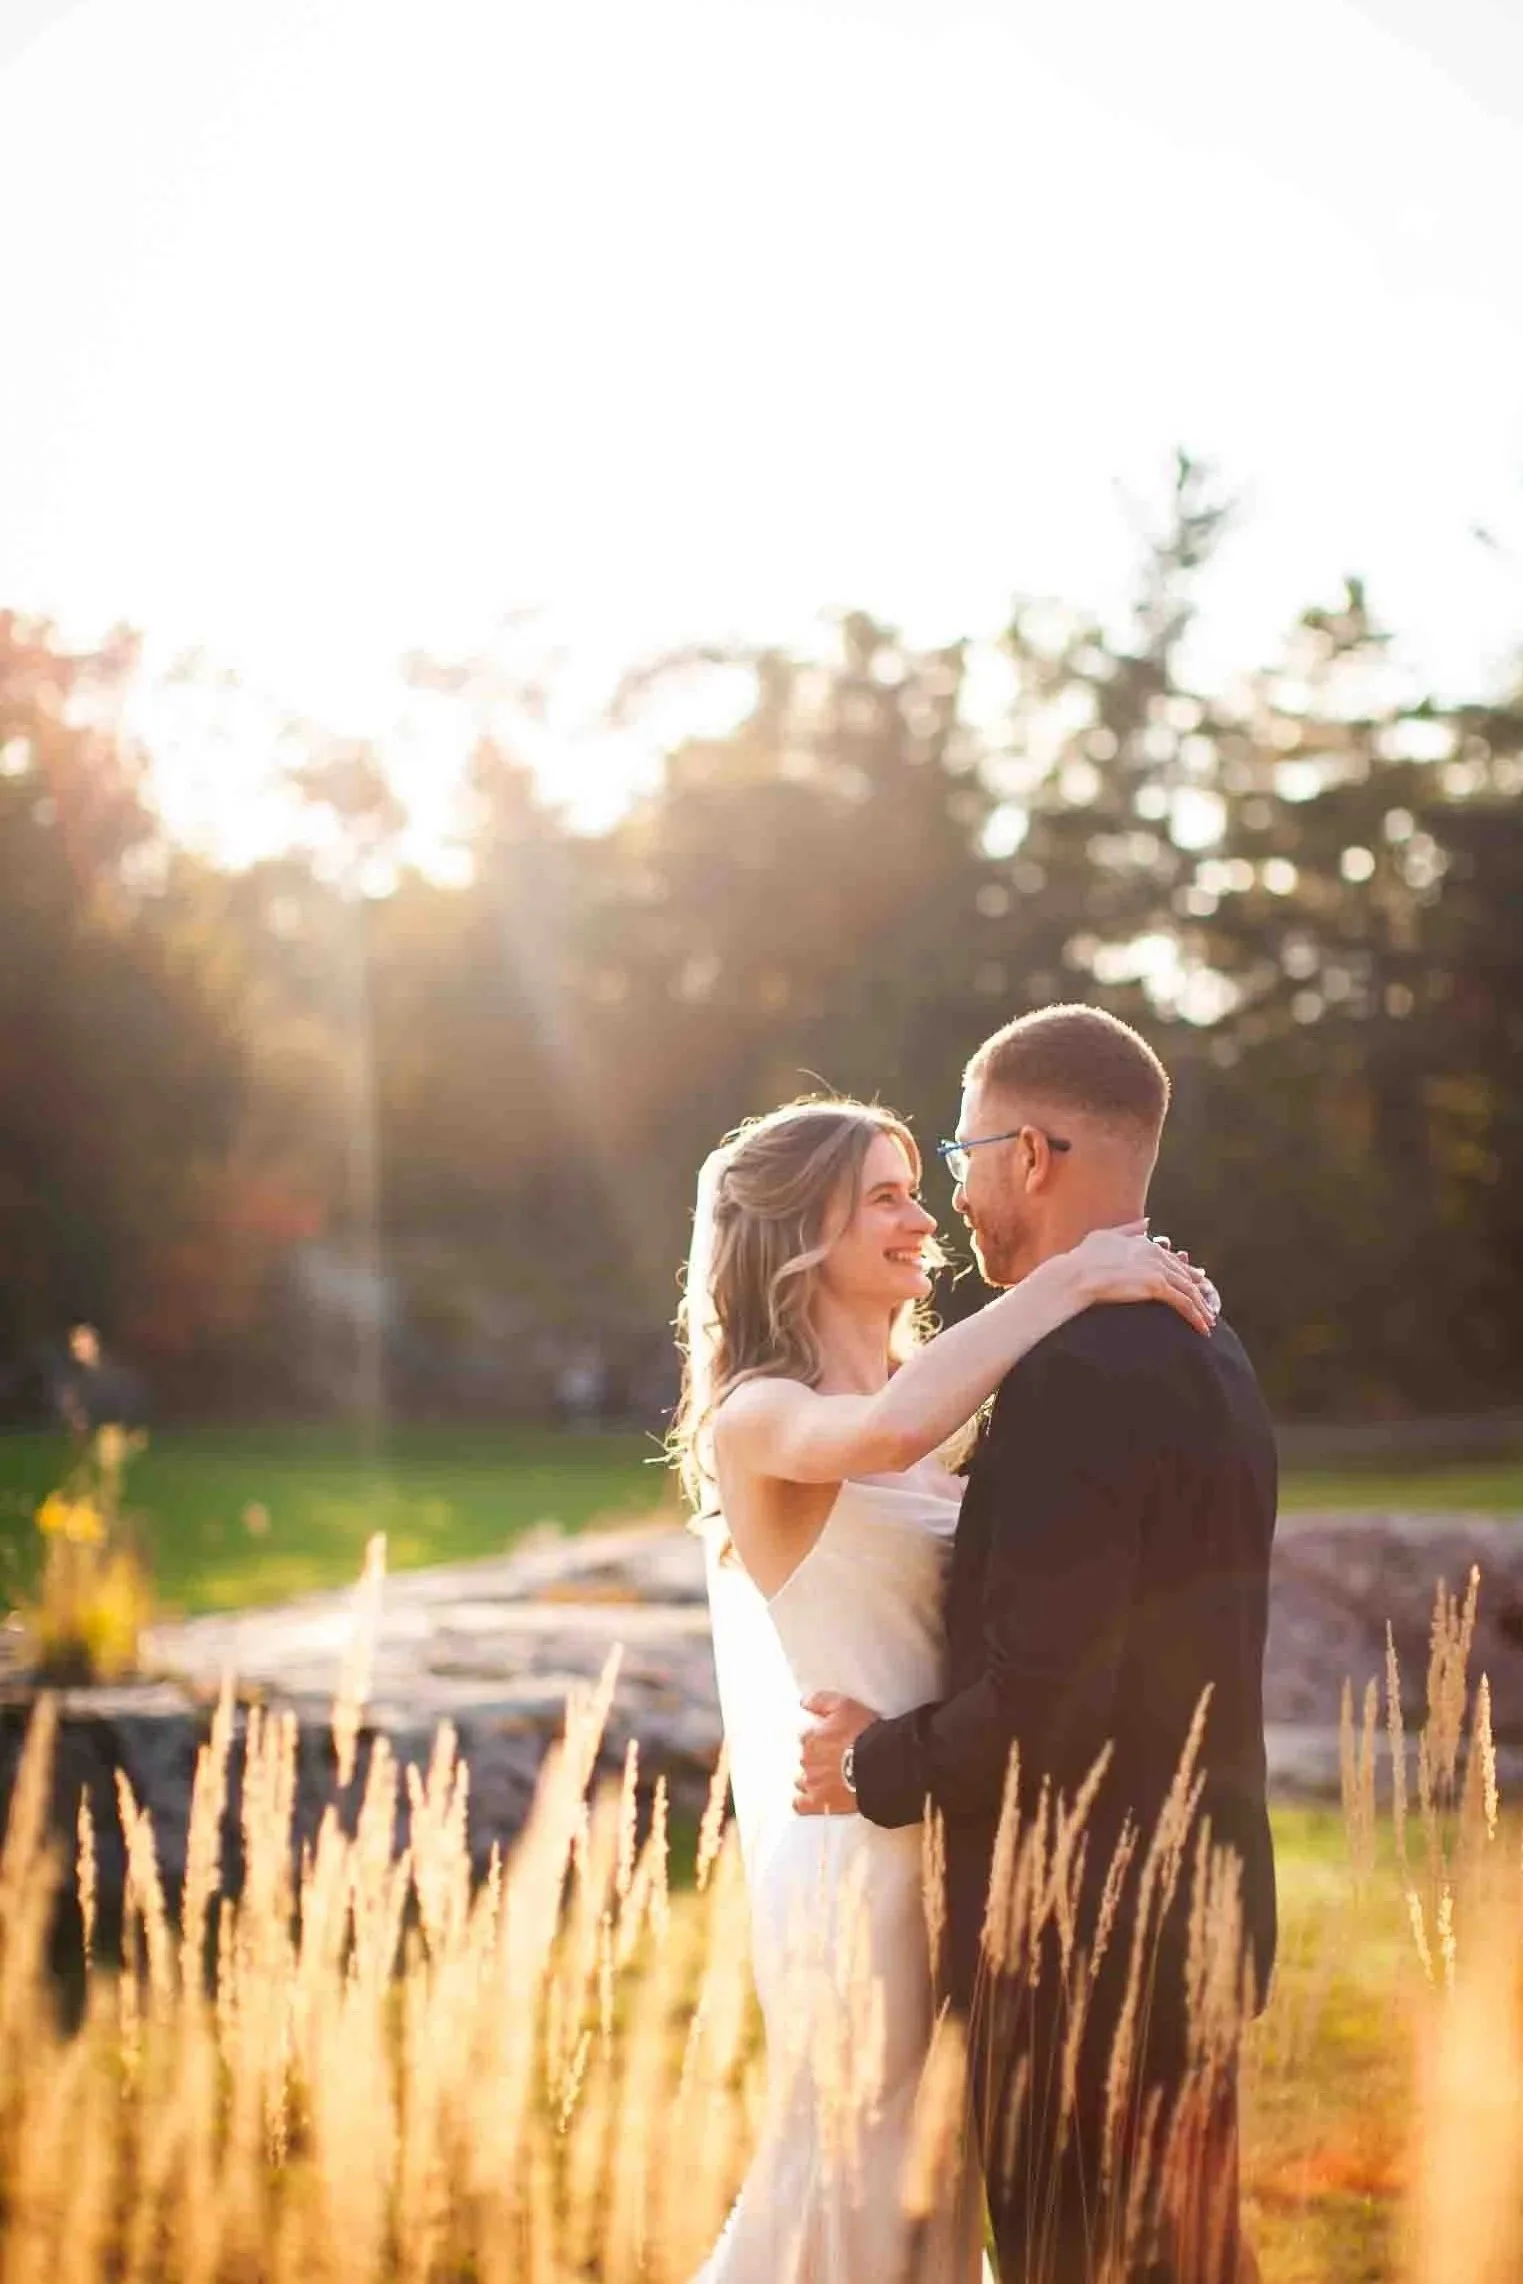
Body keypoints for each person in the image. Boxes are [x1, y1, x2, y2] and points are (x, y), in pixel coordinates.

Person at [673, 1039, 1219, 2284]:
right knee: (856, 2190)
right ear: (797, 1233)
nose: (925, 1218)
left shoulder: (932, 1382)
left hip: (949, 1823)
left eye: (920, 1183)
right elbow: (889, 1431)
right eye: (884, 1193)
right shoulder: (759, 1413)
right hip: (857, 1858)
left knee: (932, 2200)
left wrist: (1119, 1287)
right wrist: (1083, 1270)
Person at [796, 1007, 1277, 2283]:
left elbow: (1046, 1689)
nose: (953, 1195)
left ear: (1033, 1153)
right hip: (1196, 1906)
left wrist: (871, 1766)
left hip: (1082, 1941)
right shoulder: (1202, 1339)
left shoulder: (1082, 1368)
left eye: (958, 1158)